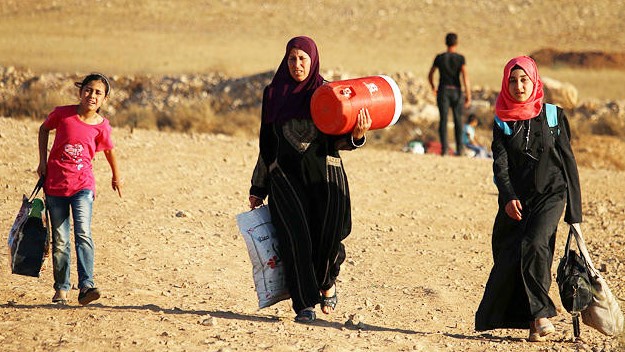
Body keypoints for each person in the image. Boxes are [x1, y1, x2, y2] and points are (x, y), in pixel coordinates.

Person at [248, 36, 372, 323]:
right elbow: (267, 143)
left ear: (313, 60)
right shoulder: (273, 94)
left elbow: (340, 138)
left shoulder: (327, 93)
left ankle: (327, 281)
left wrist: (357, 136)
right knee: (295, 239)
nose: (297, 65)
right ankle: (304, 304)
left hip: (324, 177)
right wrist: (258, 186)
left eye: (303, 58)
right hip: (284, 179)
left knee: (329, 238)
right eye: (292, 58)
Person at [475, 56, 582, 341]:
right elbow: (500, 164)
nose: (519, 86)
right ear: (505, 83)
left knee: (535, 244)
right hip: (517, 200)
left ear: (534, 81)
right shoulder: (502, 119)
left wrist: (575, 213)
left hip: (551, 194)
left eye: (524, 80)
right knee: (515, 255)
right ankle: (534, 322)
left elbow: (568, 163)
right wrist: (508, 197)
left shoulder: (552, 116)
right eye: (513, 80)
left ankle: (540, 314)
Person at [37, 73, 123, 305]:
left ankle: (87, 285)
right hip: (55, 185)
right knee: (61, 239)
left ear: (104, 99)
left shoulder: (102, 126)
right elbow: (43, 129)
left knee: (83, 233)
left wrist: (116, 176)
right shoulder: (62, 114)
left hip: (83, 186)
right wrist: (42, 162)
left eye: (98, 93)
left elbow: (109, 150)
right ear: (80, 91)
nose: (92, 95)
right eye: (88, 90)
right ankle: (61, 289)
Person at [428, 32, 471, 156]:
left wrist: (433, 87)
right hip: (456, 91)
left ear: (446, 43)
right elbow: (465, 77)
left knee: (443, 120)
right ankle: (460, 149)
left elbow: (430, 74)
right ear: (456, 43)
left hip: (443, 91)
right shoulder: (460, 58)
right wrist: (468, 95)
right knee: (458, 120)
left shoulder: (440, 57)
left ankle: (445, 150)